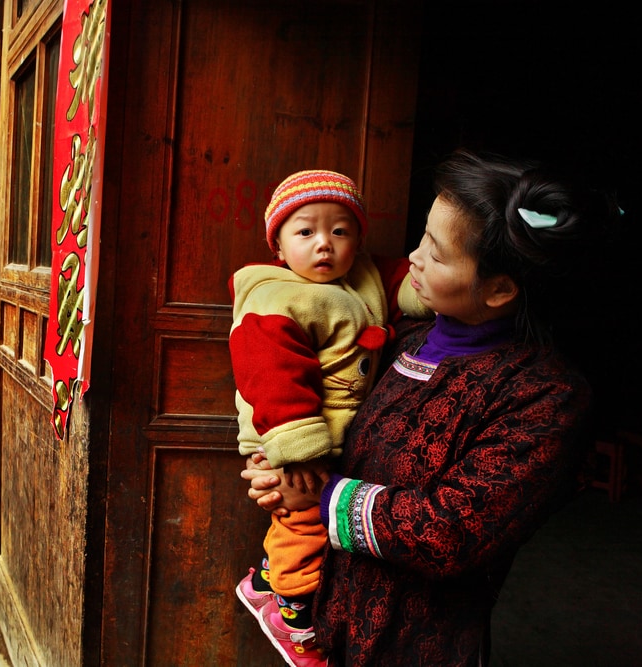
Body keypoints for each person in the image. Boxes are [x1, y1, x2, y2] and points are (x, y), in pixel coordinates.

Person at [241, 149, 615, 666]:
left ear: (501, 288)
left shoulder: (544, 396)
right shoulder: (403, 337)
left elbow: (452, 530)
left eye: (436, 254)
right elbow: (330, 414)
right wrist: (283, 467)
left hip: (418, 642)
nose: (412, 257)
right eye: (422, 238)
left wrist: (319, 497)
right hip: (330, 615)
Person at [228, 169, 429, 666]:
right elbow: (270, 376)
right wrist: (300, 449)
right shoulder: (275, 297)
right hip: (291, 437)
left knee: (304, 522)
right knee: (306, 527)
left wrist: (428, 289)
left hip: (337, 433)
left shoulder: (363, 275)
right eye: (305, 232)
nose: (324, 245)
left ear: (358, 240)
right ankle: (293, 620)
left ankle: (264, 583)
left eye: (340, 231)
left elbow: (408, 283)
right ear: (279, 246)